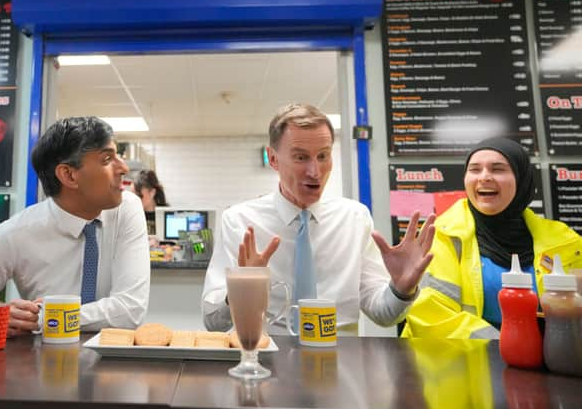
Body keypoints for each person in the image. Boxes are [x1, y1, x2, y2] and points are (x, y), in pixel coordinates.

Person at [202, 103, 436, 333]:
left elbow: (383, 315)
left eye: (323, 156)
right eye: (301, 157)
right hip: (265, 362)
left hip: (341, 362)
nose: (315, 172)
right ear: (273, 159)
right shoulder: (240, 221)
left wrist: (401, 289)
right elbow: (213, 322)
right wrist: (242, 289)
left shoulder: (355, 218)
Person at [0, 116, 150, 335]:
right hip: (41, 361)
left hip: (115, 358)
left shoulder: (127, 208)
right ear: (69, 175)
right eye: (107, 159)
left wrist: (47, 317)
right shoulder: (15, 234)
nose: (124, 168)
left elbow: (130, 310)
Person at [401, 137, 582, 339]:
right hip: (456, 362)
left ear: (521, 179)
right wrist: (504, 347)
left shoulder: (564, 241)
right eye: (475, 169)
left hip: (547, 362)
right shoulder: (442, 235)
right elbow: (432, 316)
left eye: (498, 169)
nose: (484, 177)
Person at [133, 169, 168, 235]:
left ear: (152, 192)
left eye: (139, 196)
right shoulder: (133, 216)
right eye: (133, 196)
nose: (135, 200)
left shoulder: (167, 216)